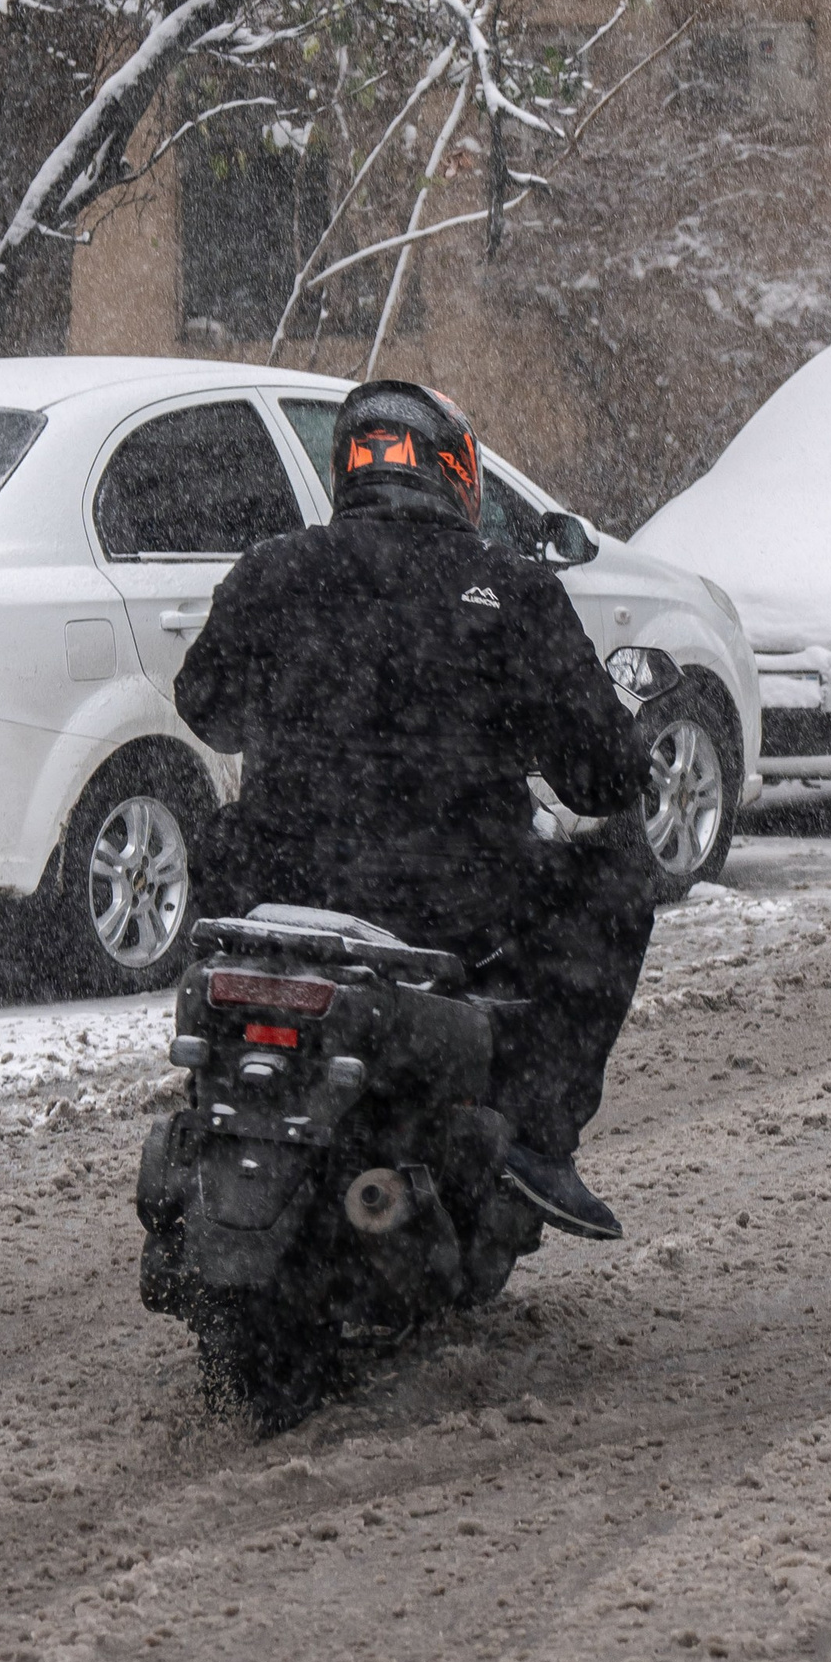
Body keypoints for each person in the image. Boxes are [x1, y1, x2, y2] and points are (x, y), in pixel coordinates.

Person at [172, 379, 653, 1241]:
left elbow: (205, 705)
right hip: (452, 903)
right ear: (457, 473)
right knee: (615, 875)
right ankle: (540, 1137)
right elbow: (600, 777)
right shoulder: (512, 592)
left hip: (274, 883)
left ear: (344, 469)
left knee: (219, 845)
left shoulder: (272, 568)